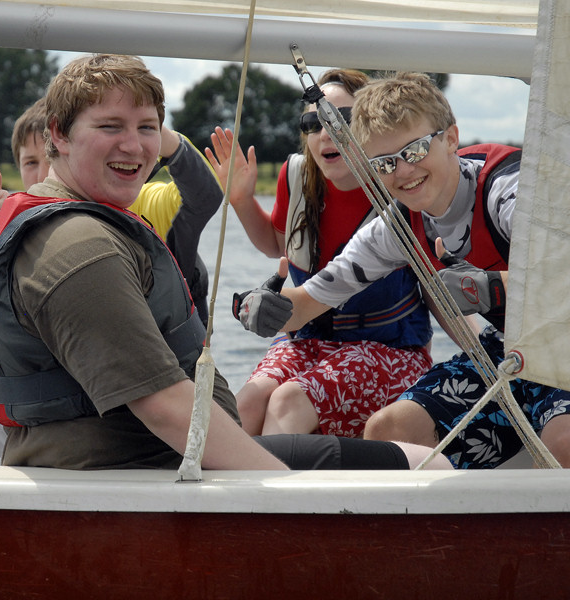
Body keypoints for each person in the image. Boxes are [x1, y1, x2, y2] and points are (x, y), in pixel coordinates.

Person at [0, 53, 451, 471]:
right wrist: (276, 490)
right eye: (109, 127)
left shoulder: (401, 187)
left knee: (279, 400)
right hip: (149, 459)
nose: (134, 145)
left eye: (146, 129)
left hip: (384, 351)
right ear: (59, 135)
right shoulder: (78, 245)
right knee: (410, 463)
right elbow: (163, 406)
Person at [235, 71, 570, 468]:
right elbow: (309, 300)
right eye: (383, 163)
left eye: (413, 152)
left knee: (562, 442)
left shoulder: (507, 191)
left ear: (450, 138)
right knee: (390, 431)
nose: (402, 172)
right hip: (509, 351)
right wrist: (260, 305)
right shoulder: (398, 227)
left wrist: (494, 288)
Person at [205, 69, 432, 438]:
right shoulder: (297, 178)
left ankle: (274, 494)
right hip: (309, 341)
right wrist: (242, 200)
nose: (325, 132)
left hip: (391, 352)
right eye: (312, 123)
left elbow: (438, 290)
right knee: (244, 404)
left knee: (289, 401)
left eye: (340, 118)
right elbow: (277, 245)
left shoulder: (400, 188)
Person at [0, 96, 222, 323]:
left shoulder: (143, 202)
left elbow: (205, 194)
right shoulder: (18, 222)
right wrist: (10, 229)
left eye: (54, 156)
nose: (45, 172)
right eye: (31, 162)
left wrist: (150, 131)